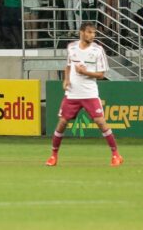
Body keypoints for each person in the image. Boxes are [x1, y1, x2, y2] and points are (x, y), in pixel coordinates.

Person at [46, 21, 122, 167]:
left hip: (89, 93)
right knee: (62, 123)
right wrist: (66, 80)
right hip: (73, 93)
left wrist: (85, 72)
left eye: (94, 33)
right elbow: (68, 66)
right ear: (81, 32)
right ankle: (53, 156)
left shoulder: (98, 50)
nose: (92, 35)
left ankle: (115, 154)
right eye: (89, 32)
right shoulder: (71, 47)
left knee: (100, 122)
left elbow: (101, 75)